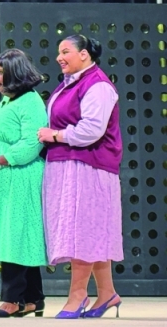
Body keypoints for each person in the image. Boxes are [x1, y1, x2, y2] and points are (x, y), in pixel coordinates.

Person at [37, 34, 123, 319]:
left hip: (89, 167)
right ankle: (107, 293)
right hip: (69, 165)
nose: (59, 57)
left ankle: (78, 295)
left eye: (65, 51)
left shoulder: (98, 86)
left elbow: (91, 131)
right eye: (58, 52)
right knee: (90, 231)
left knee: (82, 232)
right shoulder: (70, 83)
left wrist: (55, 135)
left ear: (84, 54)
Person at [0, 48, 48, 317]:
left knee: (14, 236)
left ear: (15, 72)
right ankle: (33, 298)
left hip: (21, 177)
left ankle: (12, 299)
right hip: (7, 180)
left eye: (1, 72)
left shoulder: (30, 102)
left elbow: (31, 144)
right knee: (19, 237)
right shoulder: (9, 99)